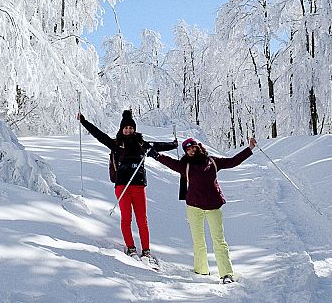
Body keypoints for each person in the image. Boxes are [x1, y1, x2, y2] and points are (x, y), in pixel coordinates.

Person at [151, 135, 256, 283]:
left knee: (219, 241)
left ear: (198, 147)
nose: (191, 151)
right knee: (198, 241)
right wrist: (155, 155)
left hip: (214, 206)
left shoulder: (212, 161)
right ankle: (201, 271)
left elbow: (232, 161)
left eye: (193, 147)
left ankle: (226, 273)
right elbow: (169, 162)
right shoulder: (185, 166)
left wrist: (249, 149)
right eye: (188, 149)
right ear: (186, 153)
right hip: (194, 207)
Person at [78, 110, 178, 260]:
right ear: (121, 129)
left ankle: (146, 250)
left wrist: (174, 144)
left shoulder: (141, 144)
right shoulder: (116, 144)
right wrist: (84, 122)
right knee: (126, 218)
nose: (128, 130)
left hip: (139, 186)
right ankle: (130, 247)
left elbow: (159, 145)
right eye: (126, 128)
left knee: (142, 219)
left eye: (131, 128)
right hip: (122, 187)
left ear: (134, 129)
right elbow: (99, 135)